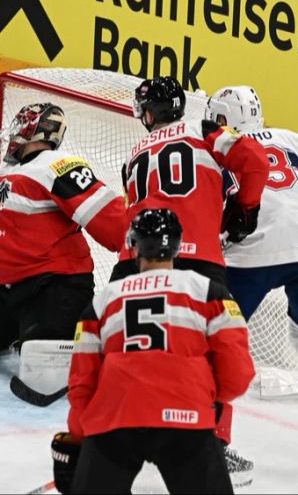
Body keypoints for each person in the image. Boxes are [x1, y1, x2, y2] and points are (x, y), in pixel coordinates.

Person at [112, 75, 268, 485]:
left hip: (140, 262)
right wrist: (245, 210)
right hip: (200, 262)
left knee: (138, 347)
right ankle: (212, 445)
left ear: (149, 113)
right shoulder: (204, 132)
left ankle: (120, 436)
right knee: (212, 349)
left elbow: (130, 218)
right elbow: (254, 159)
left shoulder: (133, 156)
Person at [50, 208, 255, 494]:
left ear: (134, 247)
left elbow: (82, 385)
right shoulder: (210, 292)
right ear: (178, 246)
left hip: (115, 418)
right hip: (186, 417)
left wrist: (79, 438)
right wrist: (208, 400)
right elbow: (238, 375)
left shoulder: (102, 302)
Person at [206, 85, 298, 459]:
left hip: (250, 258)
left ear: (223, 118)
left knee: (215, 341)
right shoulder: (295, 139)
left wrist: (224, 243)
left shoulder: (217, 150)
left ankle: (214, 443)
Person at [0, 103, 127, 399]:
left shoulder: (58, 165)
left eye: (24, 125)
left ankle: (97, 334)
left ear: (40, 131)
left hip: (56, 286)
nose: (15, 133)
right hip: (9, 288)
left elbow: (113, 227)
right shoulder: (1, 171)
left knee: (43, 358)